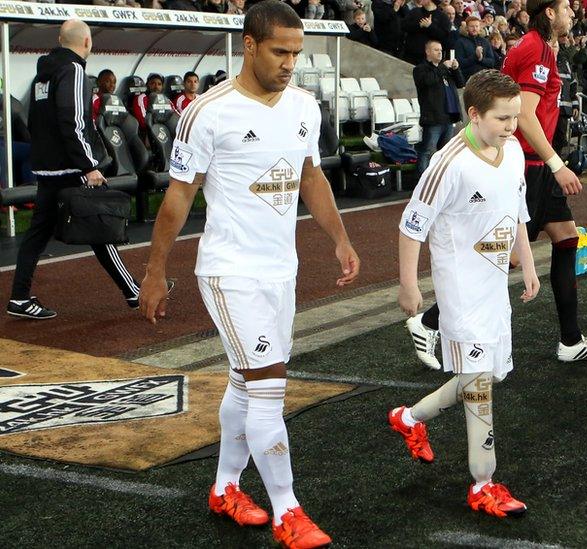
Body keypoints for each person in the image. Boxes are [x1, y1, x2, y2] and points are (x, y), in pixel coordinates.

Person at [139, 4, 360, 548]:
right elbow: (177, 199)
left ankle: (224, 488)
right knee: (268, 388)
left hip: (281, 271)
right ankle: (289, 510)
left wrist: (340, 238)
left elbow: (311, 179)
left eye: (296, 53)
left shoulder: (305, 106)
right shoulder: (207, 113)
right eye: (280, 52)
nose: (290, 63)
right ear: (249, 45)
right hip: (229, 272)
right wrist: (154, 271)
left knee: (246, 380)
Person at [405, 0, 587, 369]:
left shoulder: (545, 48)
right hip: (532, 165)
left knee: (567, 238)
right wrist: (556, 164)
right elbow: (526, 116)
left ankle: (570, 339)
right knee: (508, 256)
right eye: (566, 7)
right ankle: (428, 321)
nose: (572, 14)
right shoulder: (534, 47)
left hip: (536, 165)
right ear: (549, 12)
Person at [388, 69, 538, 519]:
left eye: (515, 116)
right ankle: (484, 484)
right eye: (502, 118)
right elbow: (411, 226)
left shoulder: (511, 152)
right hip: (460, 295)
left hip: (495, 290)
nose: (512, 127)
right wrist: (409, 284)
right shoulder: (447, 164)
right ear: (474, 114)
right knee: (478, 388)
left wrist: (528, 266)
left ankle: (408, 418)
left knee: (487, 377)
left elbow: (517, 214)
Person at [7, 20, 146, 320]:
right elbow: (74, 121)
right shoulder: (74, 70)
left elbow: (35, 120)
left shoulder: (42, 75)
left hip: (46, 168)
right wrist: (88, 165)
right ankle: (133, 291)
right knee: (98, 227)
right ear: (87, 42)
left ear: (60, 39)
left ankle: (19, 297)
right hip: (70, 166)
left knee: (39, 233)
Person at [413, 40, 464, 175]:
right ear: (427, 52)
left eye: (441, 50)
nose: (440, 52)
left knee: (445, 152)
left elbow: (460, 83)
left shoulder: (445, 69)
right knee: (428, 151)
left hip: (448, 117)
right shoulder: (420, 69)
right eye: (436, 50)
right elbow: (427, 81)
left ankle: (441, 179)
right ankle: (422, 180)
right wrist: (443, 68)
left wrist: (456, 69)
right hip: (433, 117)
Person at [456, 16, 497, 82]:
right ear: (466, 28)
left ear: (480, 27)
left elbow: (492, 62)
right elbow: (460, 63)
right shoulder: (460, 42)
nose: (474, 29)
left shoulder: (485, 41)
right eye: (472, 26)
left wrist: (481, 59)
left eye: (477, 26)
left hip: (485, 78)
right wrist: (475, 56)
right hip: (469, 79)